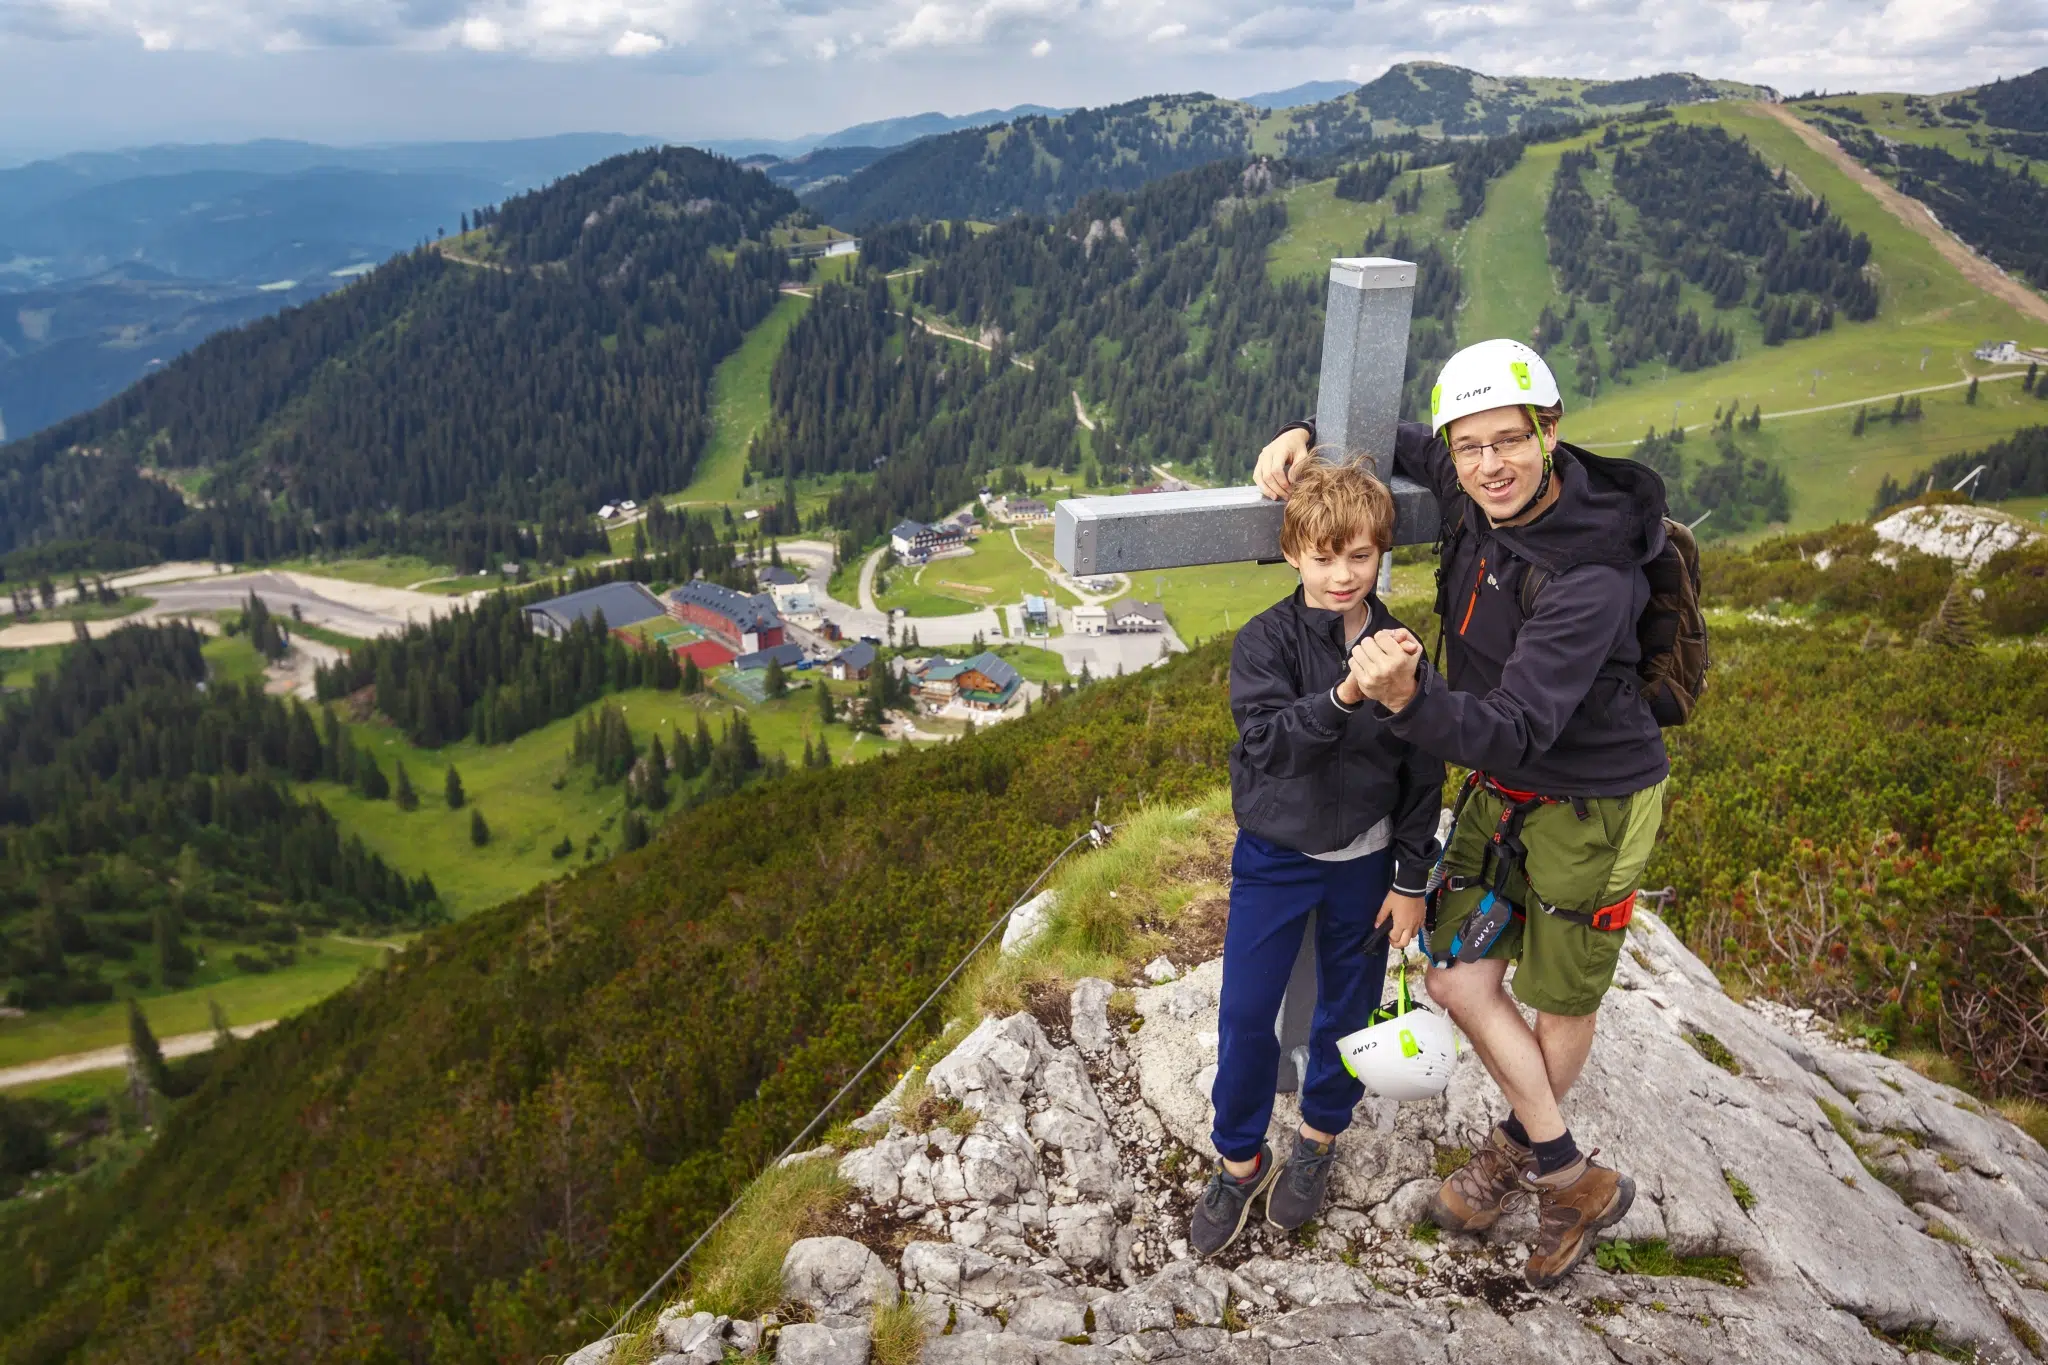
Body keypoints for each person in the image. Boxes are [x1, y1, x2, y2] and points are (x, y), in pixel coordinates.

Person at [1251, 339, 1670, 1289]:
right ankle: (1570, 1170)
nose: (1488, 464)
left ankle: (1516, 1159)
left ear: (1551, 432)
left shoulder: (1591, 571)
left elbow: (1516, 727)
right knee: (1456, 977)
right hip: (1503, 789)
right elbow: (1396, 439)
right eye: (1470, 444)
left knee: (1561, 995)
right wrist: (1305, 433)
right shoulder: (1475, 483)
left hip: (1592, 800)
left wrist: (1403, 698)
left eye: (1511, 440)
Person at [1192, 457, 1445, 1258]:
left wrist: (1410, 880)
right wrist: (1344, 696)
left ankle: (1318, 1138)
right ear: (1294, 550)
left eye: (1362, 556)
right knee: (1244, 1012)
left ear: (1381, 556)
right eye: (1326, 555)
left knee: (1349, 1006)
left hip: (1367, 861)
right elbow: (1266, 745)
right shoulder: (1263, 641)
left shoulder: (1401, 645)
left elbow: (1423, 770)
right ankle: (1238, 1156)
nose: (1344, 574)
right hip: (1275, 854)